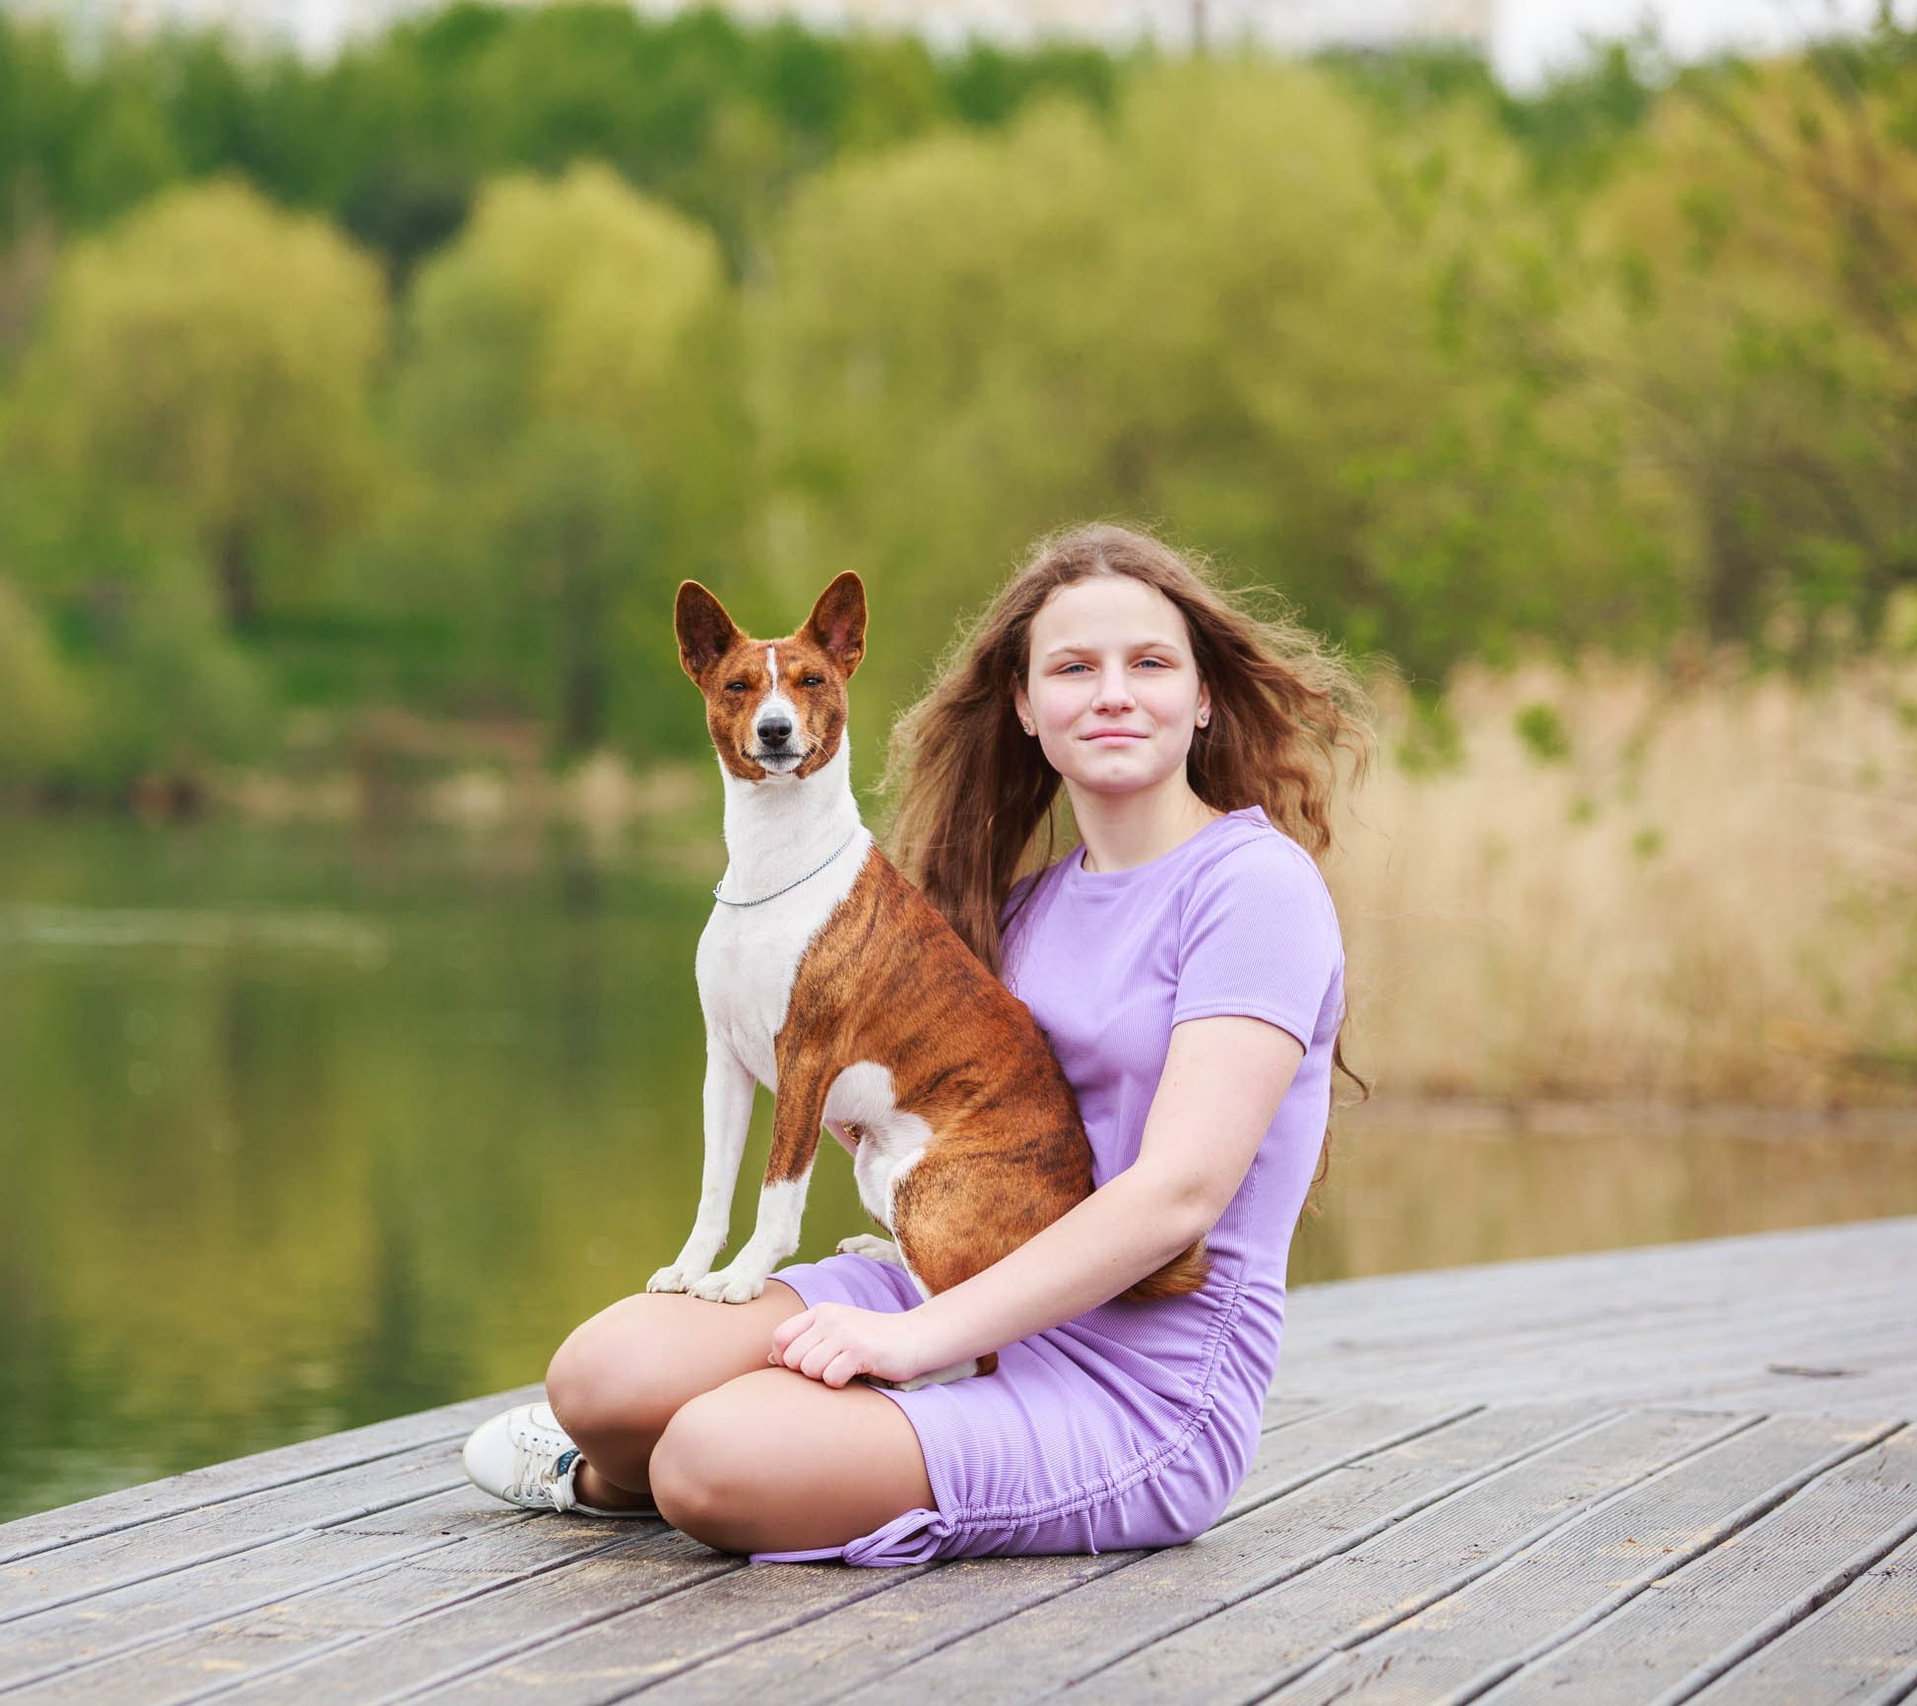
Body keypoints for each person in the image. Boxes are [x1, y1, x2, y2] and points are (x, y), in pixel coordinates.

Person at [460, 521, 1371, 1563]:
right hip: (955, 1276)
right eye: (1072, 666)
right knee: (599, 1377)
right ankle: (654, 1453)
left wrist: (910, 1341)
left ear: (1202, 695)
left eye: (1149, 662)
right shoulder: (1020, 906)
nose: (1112, 692)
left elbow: (1177, 1195)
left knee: (707, 1458)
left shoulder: (1251, 889)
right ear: (1025, 705)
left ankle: (674, 1468)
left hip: (1134, 1387)